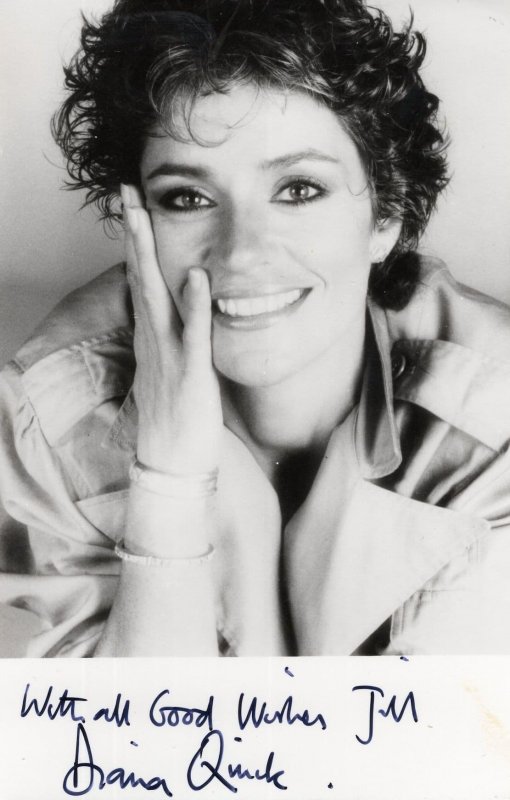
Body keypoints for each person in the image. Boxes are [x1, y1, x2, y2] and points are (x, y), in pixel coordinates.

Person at [1, 0, 510, 658]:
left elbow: (444, 724)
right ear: (138, 221)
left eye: (298, 189)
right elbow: (120, 724)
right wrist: (168, 484)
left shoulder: (494, 413)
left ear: (387, 216)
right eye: (188, 197)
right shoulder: (50, 420)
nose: (241, 252)